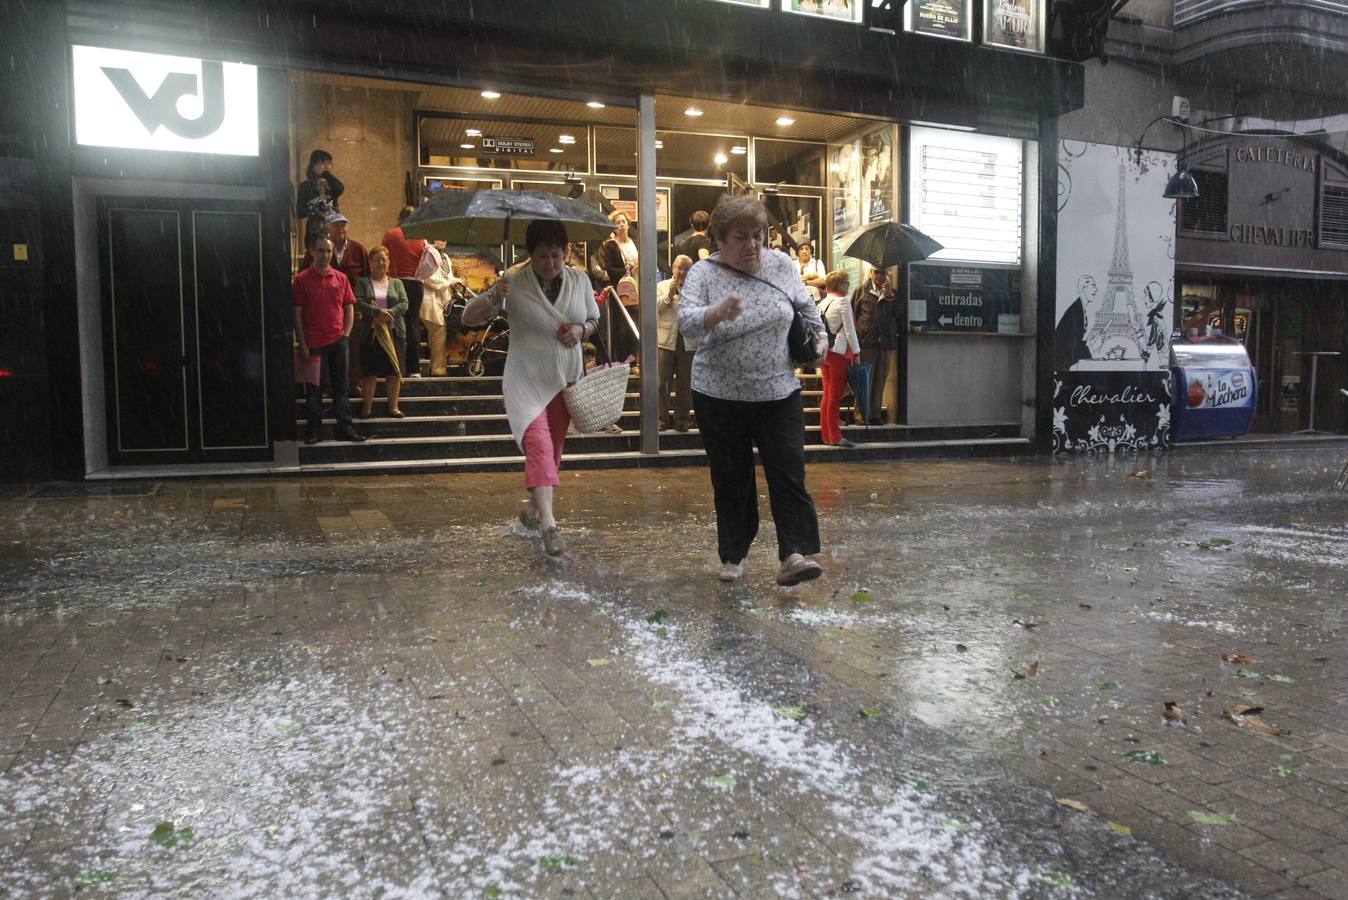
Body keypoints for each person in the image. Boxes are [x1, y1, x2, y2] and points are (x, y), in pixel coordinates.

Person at [677, 194, 828, 586]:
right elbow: (687, 323)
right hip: (719, 394)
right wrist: (716, 312)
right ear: (721, 241)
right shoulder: (703, 274)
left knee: (788, 472)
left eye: (758, 235)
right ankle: (734, 554)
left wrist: (822, 341)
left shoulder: (782, 265)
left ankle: (794, 553)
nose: (752, 245)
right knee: (731, 477)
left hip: (779, 391)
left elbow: (806, 307)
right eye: (741, 237)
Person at [461, 219, 601, 557]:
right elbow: (468, 317)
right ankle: (549, 525)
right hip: (525, 380)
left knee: (551, 453)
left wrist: (581, 331)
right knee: (538, 446)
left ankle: (535, 508)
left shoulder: (580, 280)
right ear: (530, 255)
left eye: (556, 256)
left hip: (563, 380)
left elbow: (595, 319)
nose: (550, 264)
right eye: (542, 257)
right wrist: (494, 296)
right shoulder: (514, 282)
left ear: (565, 253)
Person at [293, 235, 366, 444]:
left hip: (338, 341)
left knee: (341, 388)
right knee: (313, 391)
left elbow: (349, 308)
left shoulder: (341, 278)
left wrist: (346, 335)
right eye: (320, 250)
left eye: (328, 251)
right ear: (311, 252)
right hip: (313, 344)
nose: (325, 254)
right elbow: (296, 314)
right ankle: (314, 432)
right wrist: (302, 342)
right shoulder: (301, 280)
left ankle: (346, 429)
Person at [354, 246, 408, 419]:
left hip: (394, 333)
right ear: (370, 262)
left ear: (389, 262)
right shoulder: (363, 282)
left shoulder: (397, 283)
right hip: (371, 333)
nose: (381, 263)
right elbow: (358, 301)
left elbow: (404, 303)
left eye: (384, 259)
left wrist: (389, 314)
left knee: (393, 371)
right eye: (377, 259)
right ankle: (367, 408)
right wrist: (377, 312)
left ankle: (393, 407)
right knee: (370, 372)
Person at [382, 206, 428, 378]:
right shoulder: (421, 239)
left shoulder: (391, 234)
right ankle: (414, 369)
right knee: (413, 325)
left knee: (393, 323)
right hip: (416, 284)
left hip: (395, 282)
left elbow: (383, 256)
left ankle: (394, 366)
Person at [851, 265, 897, 425]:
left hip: (885, 344)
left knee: (880, 380)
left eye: (883, 272)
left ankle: (875, 414)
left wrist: (890, 297)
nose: (880, 276)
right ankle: (861, 415)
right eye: (877, 272)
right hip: (866, 343)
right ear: (871, 273)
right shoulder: (861, 291)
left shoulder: (893, 293)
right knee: (864, 381)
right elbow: (852, 315)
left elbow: (900, 315)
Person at [818, 270, 860, 447]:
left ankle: (826, 435)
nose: (848, 285)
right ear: (840, 284)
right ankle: (835, 437)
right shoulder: (843, 302)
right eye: (846, 282)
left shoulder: (823, 302)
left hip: (825, 352)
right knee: (834, 396)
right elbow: (850, 330)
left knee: (827, 394)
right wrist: (856, 352)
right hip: (839, 352)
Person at [656, 255, 695, 431]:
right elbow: (655, 308)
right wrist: (669, 295)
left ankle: (682, 419)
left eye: (686, 268)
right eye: (679, 268)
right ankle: (661, 418)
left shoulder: (695, 289)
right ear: (673, 269)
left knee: (684, 382)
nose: (682, 272)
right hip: (665, 340)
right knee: (662, 381)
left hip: (688, 341)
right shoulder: (661, 286)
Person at [416, 240, 458, 377]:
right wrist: (449, 282)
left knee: (437, 332)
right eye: (439, 238)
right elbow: (429, 278)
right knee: (438, 330)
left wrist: (451, 281)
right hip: (429, 298)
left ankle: (435, 367)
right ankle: (438, 369)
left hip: (443, 299)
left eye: (445, 238)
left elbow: (448, 276)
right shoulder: (427, 253)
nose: (442, 241)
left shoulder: (445, 257)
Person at [296, 149, 343, 250]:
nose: (326, 166)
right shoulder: (305, 186)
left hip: (332, 231)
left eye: (329, 163)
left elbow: (340, 188)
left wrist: (327, 175)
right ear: (313, 165)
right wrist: (315, 208)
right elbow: (299, 212)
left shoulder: (331, 185)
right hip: (314, 232)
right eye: (322, 163)